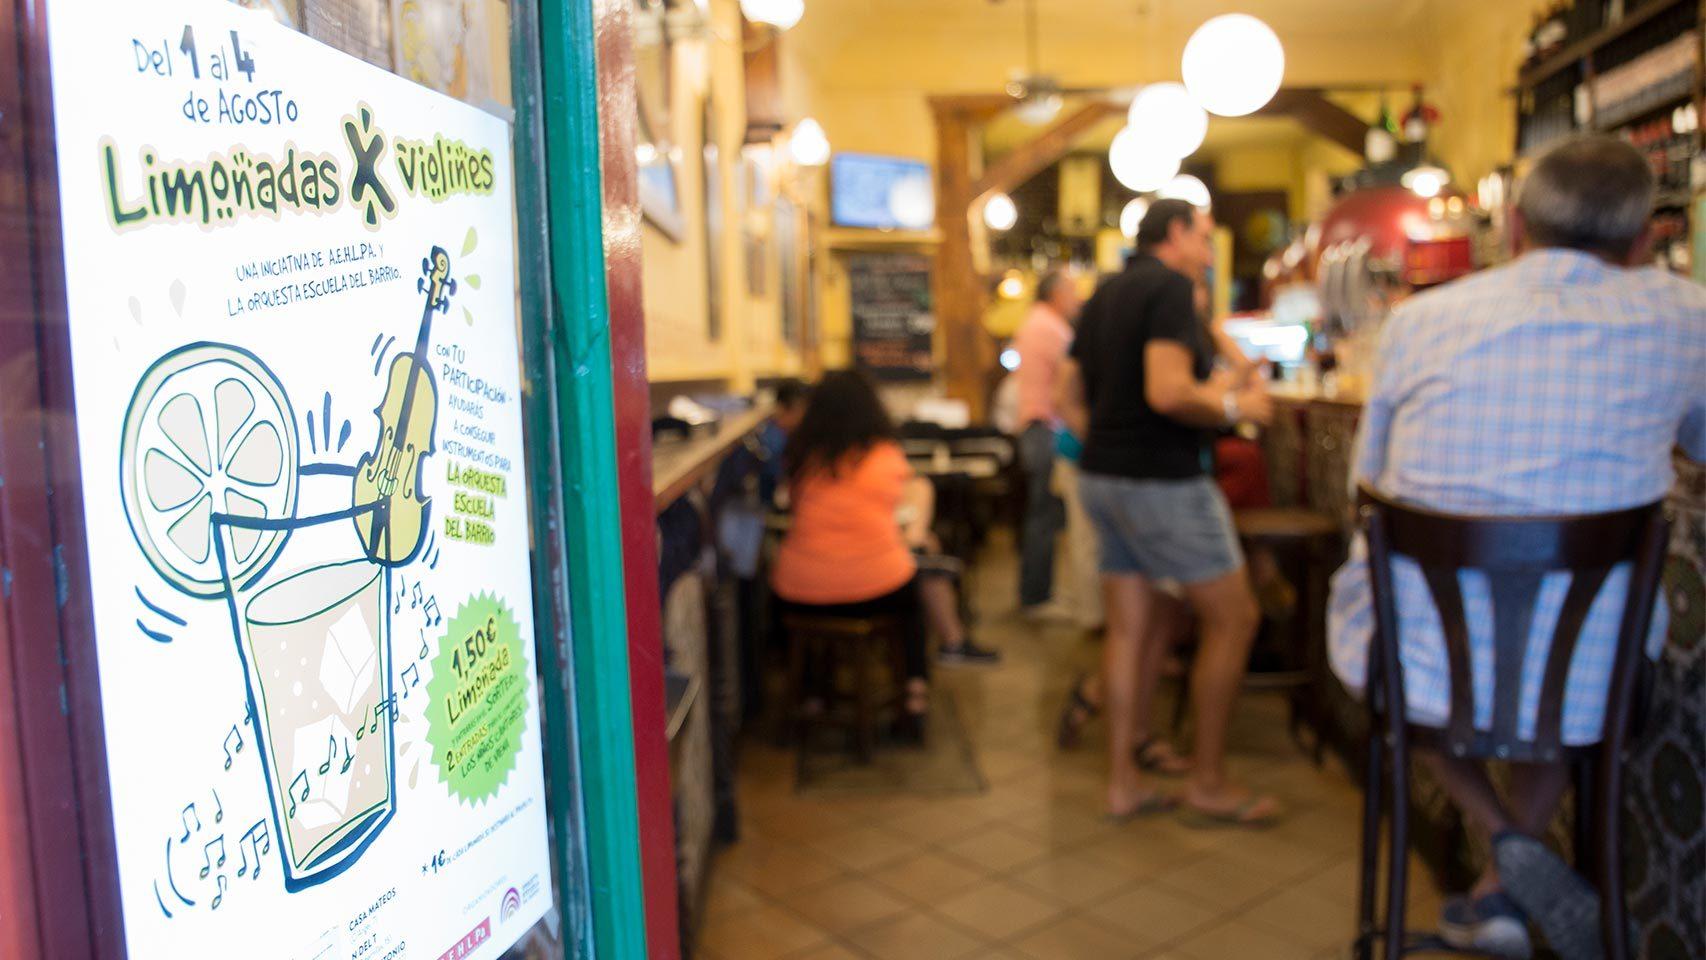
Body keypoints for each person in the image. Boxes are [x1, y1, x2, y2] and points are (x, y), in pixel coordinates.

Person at [1327, 136, 1705, 958]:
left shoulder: (1419, 322)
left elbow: (1369, 488)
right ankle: (1518, 862)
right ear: (1645, 243)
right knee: (1563, 668)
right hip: (1591, 679)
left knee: (1393, 651)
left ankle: (1501, 848)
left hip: (1421, 669)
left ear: (1517, 230)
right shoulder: (1690, 317)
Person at [1057, 198, 1278, 825]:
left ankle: (1123, 784)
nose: (1208, 255)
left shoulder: (1103, 295)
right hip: (1164, 480)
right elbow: (1168, 391)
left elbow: (1064, 395)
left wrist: (1107, 443)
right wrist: (1236, 410)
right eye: (1205, 240)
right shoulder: (1174, 291)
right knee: (1233, 621)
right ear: (1176, 234)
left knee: (1129, 631)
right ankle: (1208, 782)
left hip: (1102, 477)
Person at [771, 372, 997, 724]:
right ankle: (914, 693)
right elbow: (904, 497)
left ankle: (814, 692)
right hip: (873, 586)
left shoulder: (800, 458)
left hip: (800, 590)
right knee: (910, 598)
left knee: (804, 603)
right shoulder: (884, 455)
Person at [1012, 269, 1084, 617]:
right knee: (1044, 515)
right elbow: (1075, 377)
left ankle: (1038, 593)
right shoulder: (1050, 327)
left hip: (1035, 426)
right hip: (1045, 429)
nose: (1077, 298)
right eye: (1071, 290)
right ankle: (1036, 598)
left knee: (1043, 514)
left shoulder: (1036, 322)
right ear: (1056, 293)